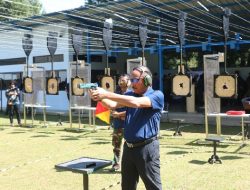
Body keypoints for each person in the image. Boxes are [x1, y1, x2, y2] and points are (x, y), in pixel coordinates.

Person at [89, 66, 164, 190]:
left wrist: (106, 93)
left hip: (147, 148)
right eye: (131, 80)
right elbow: (112, 105)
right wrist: (99, 98)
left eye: (135, 80)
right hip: (128, 148)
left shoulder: (157, 95)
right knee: (127, 186)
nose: (132, 83)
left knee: (153, 187)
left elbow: (136, 103)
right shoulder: (130, 94)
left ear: (147, 80)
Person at [110, 74, 131, 172]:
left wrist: (119, 114)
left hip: (129, 125)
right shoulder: (116, 93)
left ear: (128, 82)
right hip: (118, 124)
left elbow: (132, 110)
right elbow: (111, 106)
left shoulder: (132, 94)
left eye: (123, 80)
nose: (121, 82)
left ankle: (129, 166)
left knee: (130, 147)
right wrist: (113, 112)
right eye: (120, 80)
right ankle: (115, 164)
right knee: (116, 146)